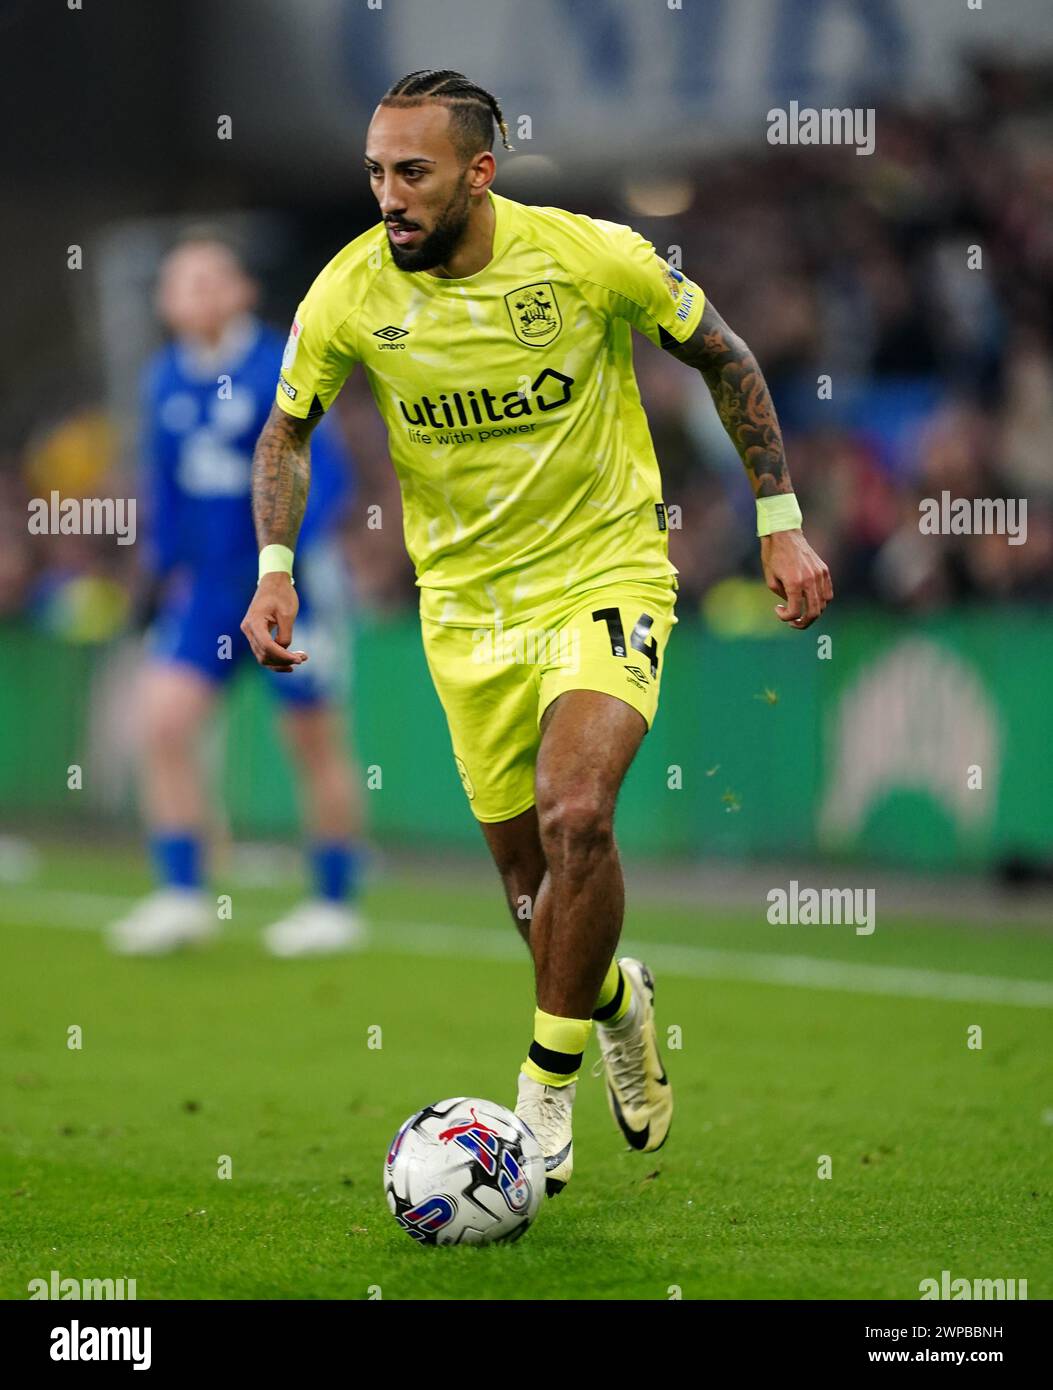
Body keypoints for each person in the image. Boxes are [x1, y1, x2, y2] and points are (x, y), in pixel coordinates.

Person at [241, 72, 832, 1194]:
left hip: (604, 571)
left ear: (479, 173)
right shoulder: (349, 293)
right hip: (467, 611)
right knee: (534, 892)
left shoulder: (588, 256)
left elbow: (728, 356)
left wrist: (780, 524)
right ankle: (615, 1001)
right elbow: (286, 433)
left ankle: (539, 1096)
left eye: (411, 173)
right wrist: (276, 569)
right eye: (375, 172)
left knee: (577, 812)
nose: (388, 196)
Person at [108, 233, 368, 959]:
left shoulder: (279, 368)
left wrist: (280, 568)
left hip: (290, 586)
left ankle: (333, 903)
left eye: (208, 278)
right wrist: (160, 575)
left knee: (312, 741)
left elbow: (331, 479)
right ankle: (183, 895)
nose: (193, 293)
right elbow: (162, 488)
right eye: (179, 281)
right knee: (161, 725)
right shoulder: (163, 378)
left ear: (242, 292)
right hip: (209, 591)